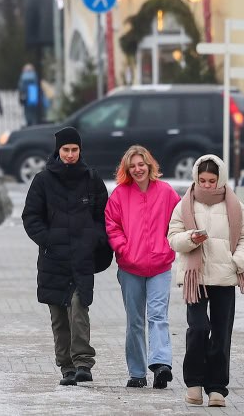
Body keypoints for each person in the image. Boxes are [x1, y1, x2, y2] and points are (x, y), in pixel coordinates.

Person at [21, 126, 110, 387]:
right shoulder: (43, 180)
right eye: (65, 150)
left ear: (80, 150)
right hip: (53, 258)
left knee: (79, 307)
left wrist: (95, 238)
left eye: (74, 149)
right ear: (58, 151)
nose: (70, 154)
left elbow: (104, 216)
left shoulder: (91, 178)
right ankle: (66, 367)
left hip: (82, 257)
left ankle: (83, 362)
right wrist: (48, 240)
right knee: (59, 314)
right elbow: (31, 217)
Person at [167, 154, 244, 408]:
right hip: (196, 279)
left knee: (221, 333)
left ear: (221, 179)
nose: (206, 185)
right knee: (198, 329)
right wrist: (190, 239)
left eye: (211, 180)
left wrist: (237, 261)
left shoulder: (235, 204)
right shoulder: (184, 204)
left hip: (225, 278)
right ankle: (193, 384)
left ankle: (217, 388)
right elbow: (173, 237)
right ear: (196, 178)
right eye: (202, 180)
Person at [106, 145, 180, 390]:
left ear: (150, 165)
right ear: (127, 169)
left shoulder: (167, 192)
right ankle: (137, 373)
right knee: (135, 320)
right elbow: (112, 226)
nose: (138, 169)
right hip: (130, 267)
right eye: (133, 166)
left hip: (160, 265)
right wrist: (124, 249)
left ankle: (161, 365)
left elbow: (178, 221)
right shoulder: (119, 195)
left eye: (141, 164)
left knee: (158, 316)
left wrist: (169, 245)